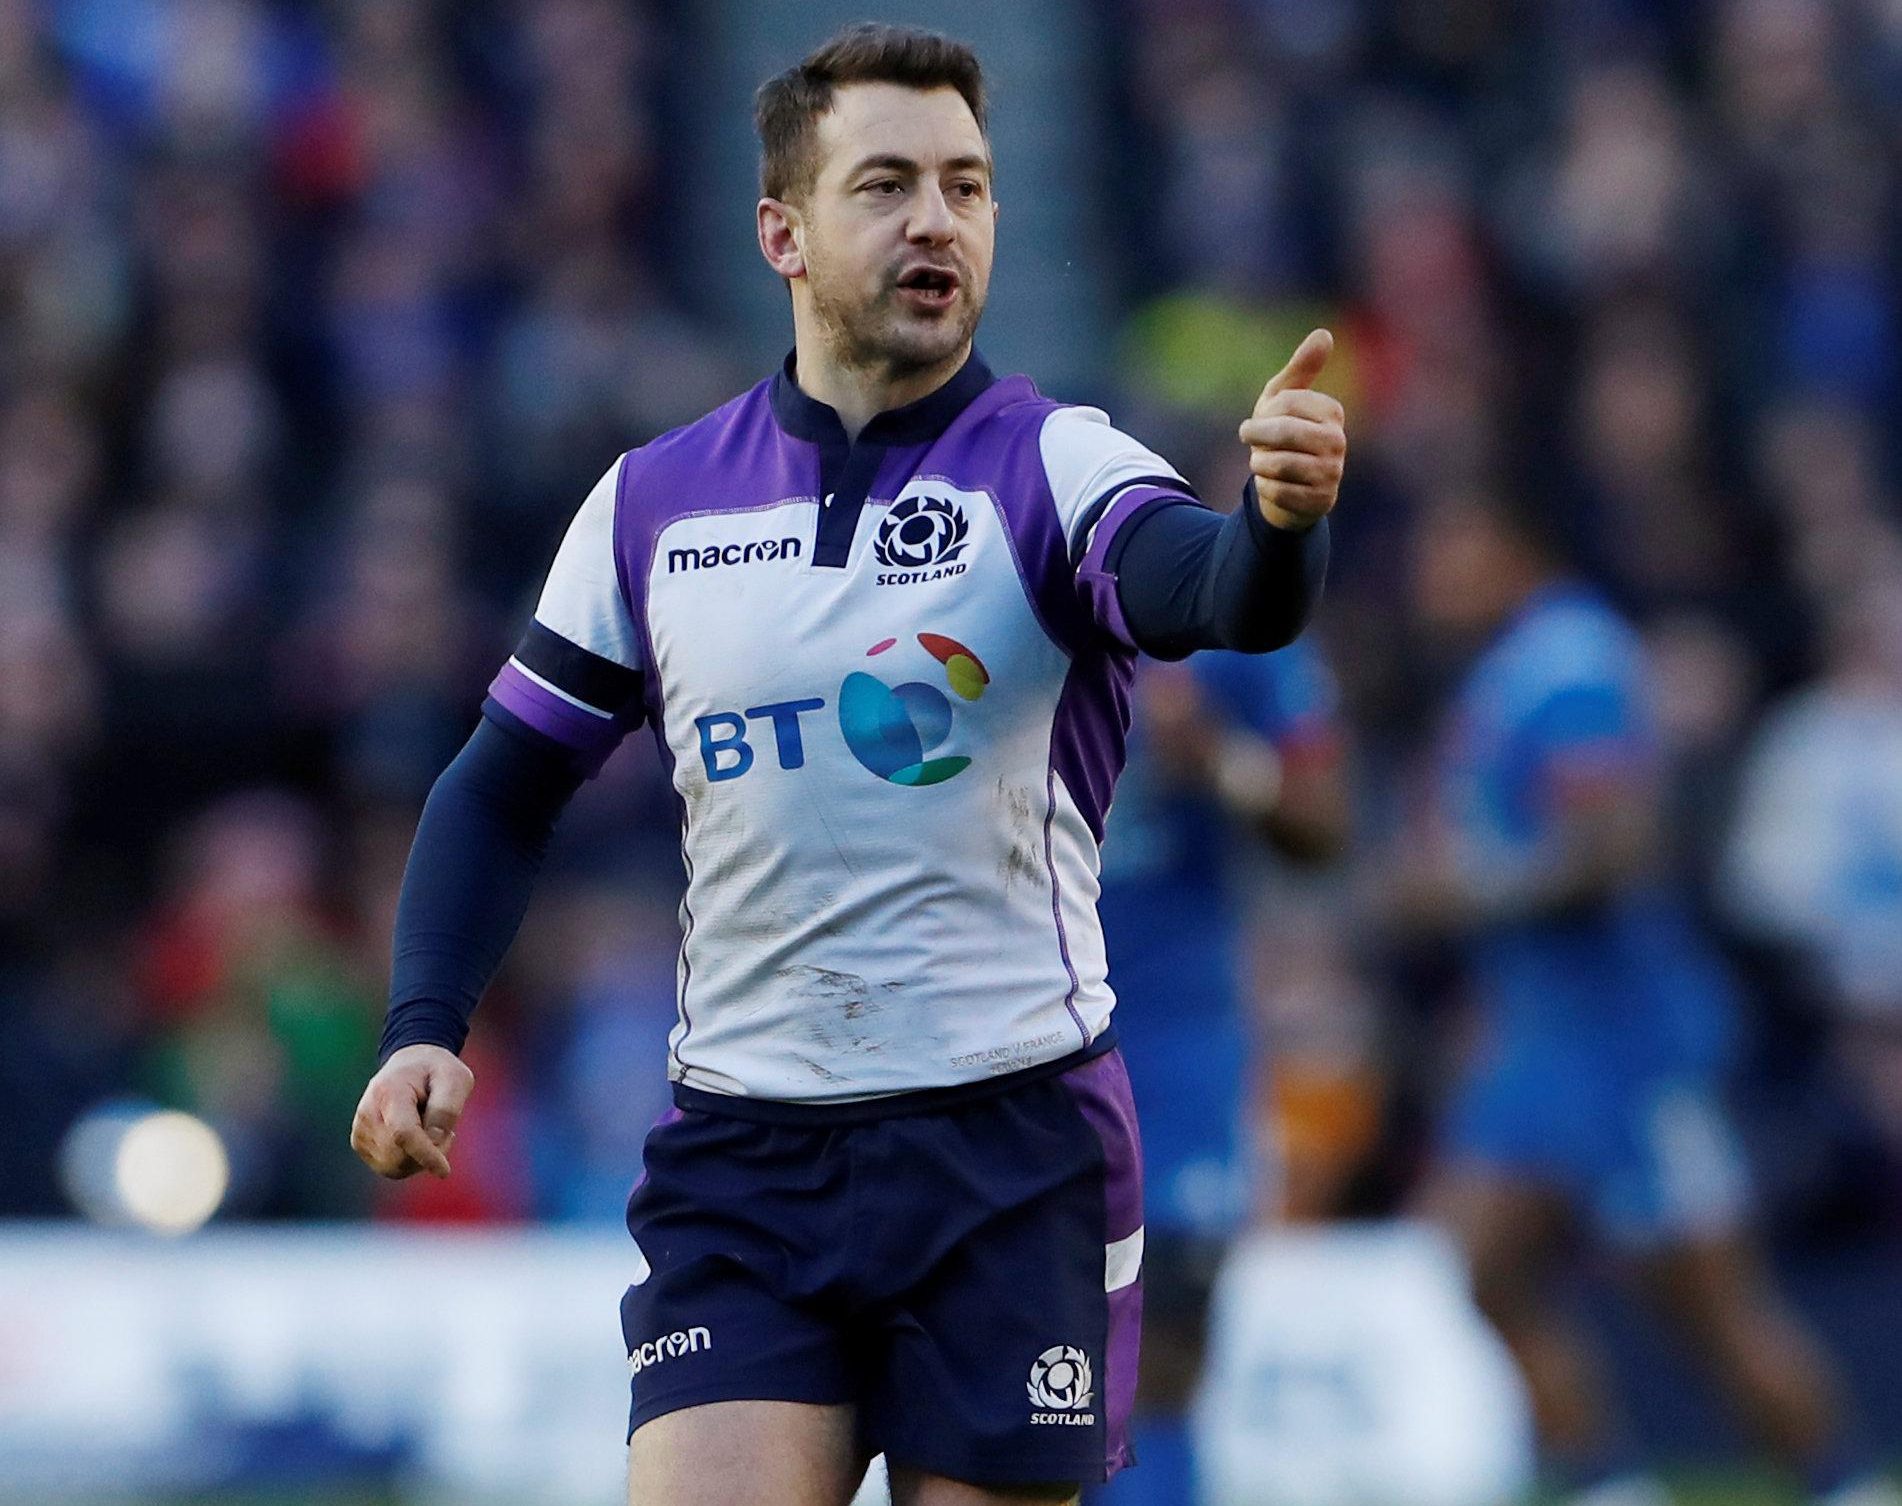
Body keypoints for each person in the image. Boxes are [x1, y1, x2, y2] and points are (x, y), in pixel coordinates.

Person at [347, 25, 1347, 1506]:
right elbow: (502, 782)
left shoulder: (1056, 465)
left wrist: (1278, 524)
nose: (936, 220)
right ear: (783, 235)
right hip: (747, 1156)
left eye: (967, 186)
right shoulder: (653, 506)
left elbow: (1217, 592)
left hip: (1011, 1152)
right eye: (885, 185)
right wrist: (426, 1022)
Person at [1388, 493, 1896, 1506]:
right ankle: (1609, 1486)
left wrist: (1468, 890)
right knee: (1479, 1264)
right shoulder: (1509, 668)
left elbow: (1617, 847)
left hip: (1629, 1044)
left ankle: (1845, 1485)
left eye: (1450, 544)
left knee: (1709, 1306)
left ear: (1517, 544)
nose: (1428, 575)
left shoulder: (1569, 662)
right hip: (1545, 1043)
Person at [1089, 636, 1349, 1506]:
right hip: (1010, 1034)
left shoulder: (1230, 631)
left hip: (1174, 1044)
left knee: (1160, 1336)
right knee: (1029, 1344)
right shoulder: (992, 599)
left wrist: (1222, 761)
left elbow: (1324, 822)